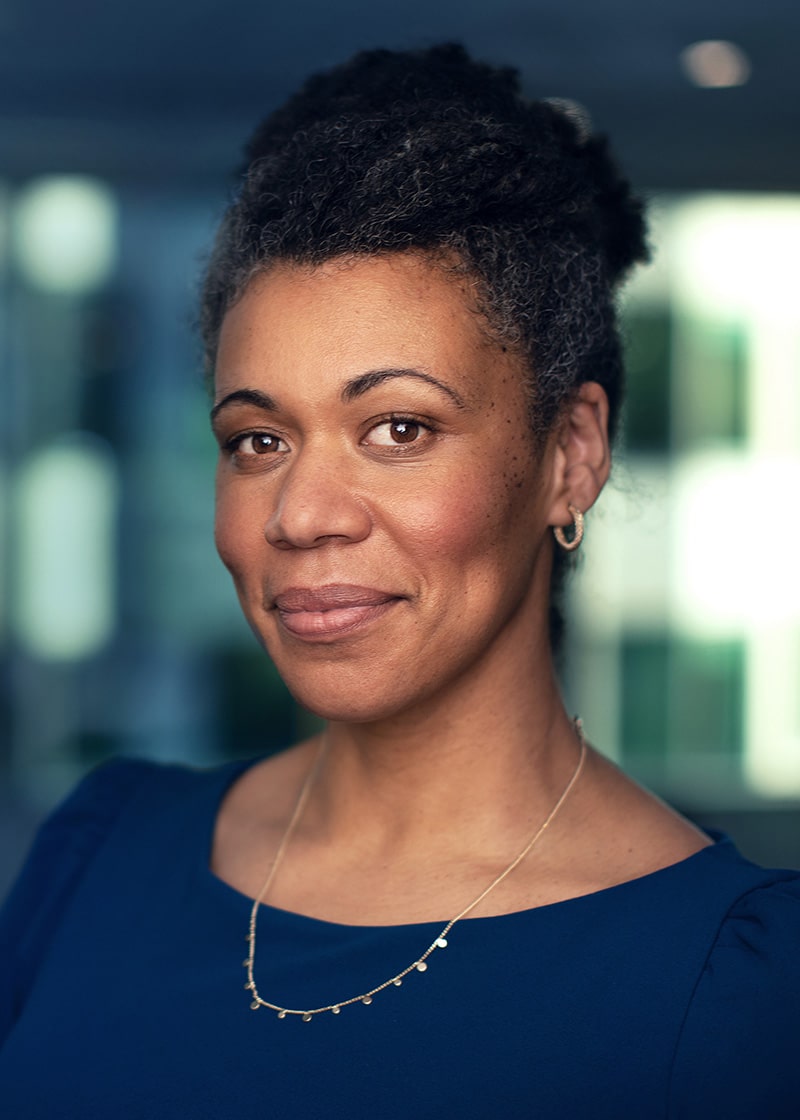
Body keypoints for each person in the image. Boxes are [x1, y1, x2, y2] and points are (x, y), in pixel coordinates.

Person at [1, 43, 798, 1119]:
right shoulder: (105, 850)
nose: (301, 514)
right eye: (257, 440)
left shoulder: (732, 989)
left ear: (569, 457)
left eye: (398, 428)